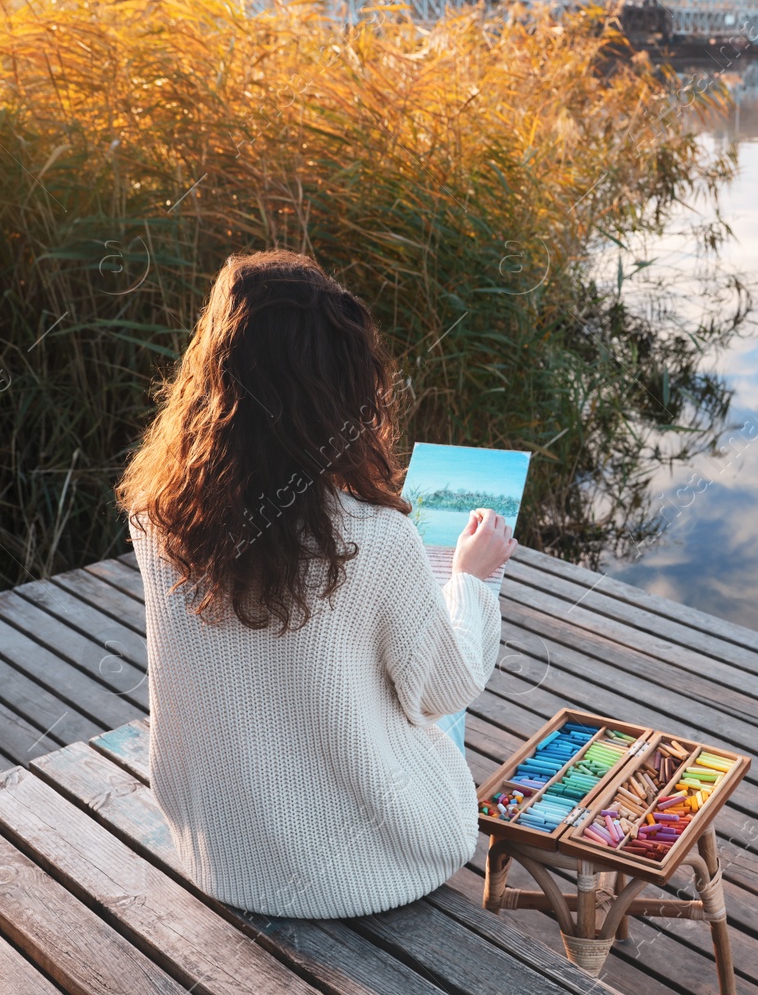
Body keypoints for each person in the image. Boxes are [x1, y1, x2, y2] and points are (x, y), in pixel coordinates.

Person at [115, 250, 516, 919]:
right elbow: (447, 685)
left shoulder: (159, 518)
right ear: (336, 391)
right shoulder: (376, 537)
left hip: (222, 853)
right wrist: (471, 579)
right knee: (444, 676)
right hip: (363, 871)